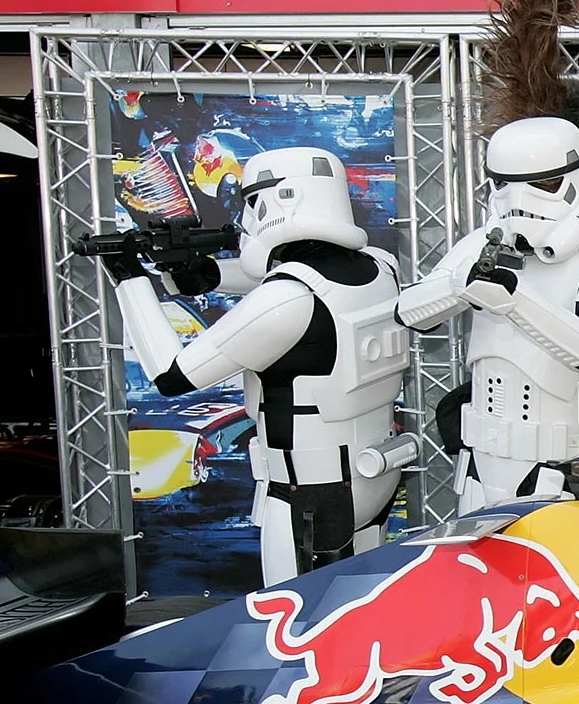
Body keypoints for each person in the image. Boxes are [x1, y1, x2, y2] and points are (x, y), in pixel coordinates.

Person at [96, 146, 405, 586]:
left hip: (307, 487)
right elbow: (294, 274)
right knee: (364, 598)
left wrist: (129, 279)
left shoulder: (288, 298)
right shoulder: (380, 268)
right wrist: (205, 275)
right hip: (373, 472)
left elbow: (171, 374)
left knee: (295, 618)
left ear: (277, 200)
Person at [396, 116, 579, 513]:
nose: (519, 201)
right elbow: (408, 313)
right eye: (504, 185)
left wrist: (515, 300)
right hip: (481, 468)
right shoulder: (483, 246)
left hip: (565, 475)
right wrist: (459, 285)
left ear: (577, 179)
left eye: (542, 185)